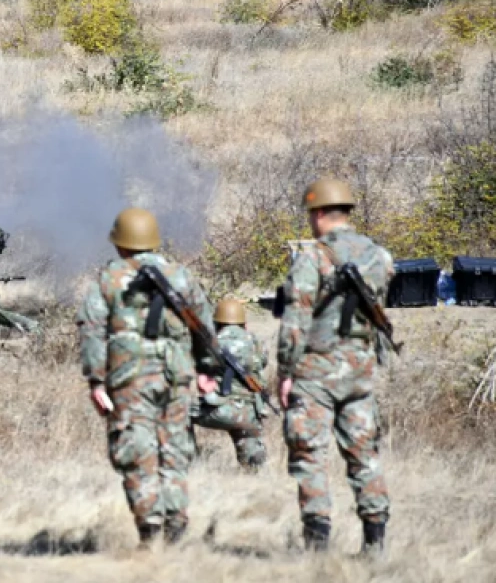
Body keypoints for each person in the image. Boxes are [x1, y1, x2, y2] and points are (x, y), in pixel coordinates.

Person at [76, 207, 214, 547]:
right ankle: (176, 523)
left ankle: (150, 529)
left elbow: (92, 331)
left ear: (119, 243)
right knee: (174, 450)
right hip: (177, 376)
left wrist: (96, 380)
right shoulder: (180, 276)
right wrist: (207, 369)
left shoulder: (107, 282)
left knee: (137, 452)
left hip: (129, 379)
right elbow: (204, 325)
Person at [277, 178, 393, 554]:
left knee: (310, 455)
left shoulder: (312, 257)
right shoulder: (379, 255)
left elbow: (295, 320)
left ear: (321, 213)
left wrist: (284, 372)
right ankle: (375, 544)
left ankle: (317, 546)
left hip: (315, 371)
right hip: (359, 369)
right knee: (364, 455)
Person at [190, 298, 268, 471]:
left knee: (177, 412)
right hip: (250, 412)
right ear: (243, 323)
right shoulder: (256, 343)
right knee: (250, 450)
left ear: (217, 321)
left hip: (220, 409)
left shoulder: (211, 341)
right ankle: (255, 466)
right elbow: (263, 362)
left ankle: (189, 459)